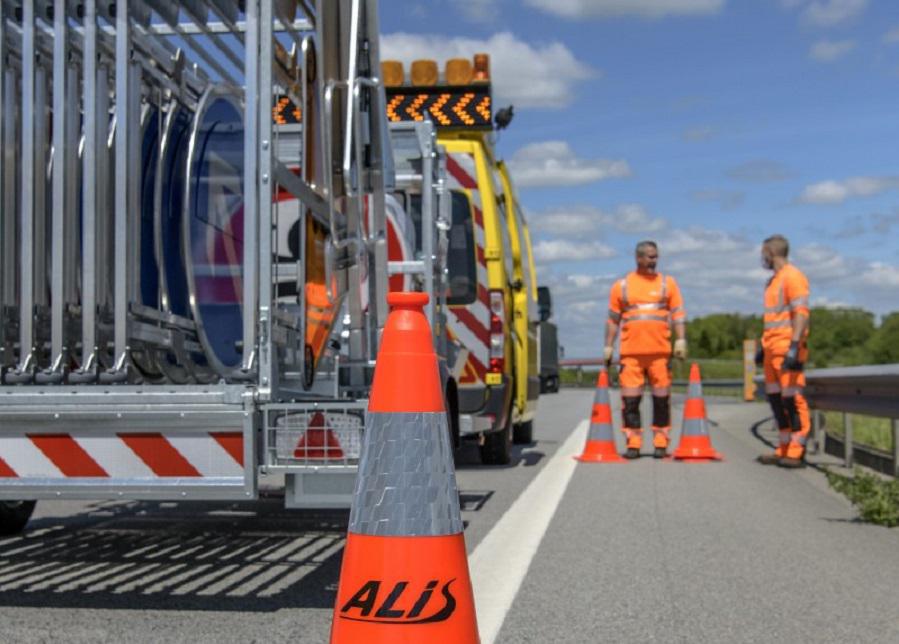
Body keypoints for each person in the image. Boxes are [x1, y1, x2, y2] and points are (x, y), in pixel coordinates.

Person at [604, 241, 687, 459]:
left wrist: (681, 340)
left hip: (660, 353)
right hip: (631, 354)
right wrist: (608, 346)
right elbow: (613, 320)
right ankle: (633, 443)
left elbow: (678, 313)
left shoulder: (667, 284)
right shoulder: (622, 286)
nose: (654, 261)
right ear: (638, 258)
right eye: (650, 257)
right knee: (630, 402)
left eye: (656, 257)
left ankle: (661, 442)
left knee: (661, 400)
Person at [756, 235, 810, 468]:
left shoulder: (793, 276)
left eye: (763, 253)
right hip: (772, 349)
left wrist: (795, 346)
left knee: (792, 400)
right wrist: (762, 347)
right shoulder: (773, 282)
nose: (762, 258)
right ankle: (784, 447)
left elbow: (801, 313)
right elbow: (772, 319)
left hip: (787, 348)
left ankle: (796, 450)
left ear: (770, 252)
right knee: (777, 402)